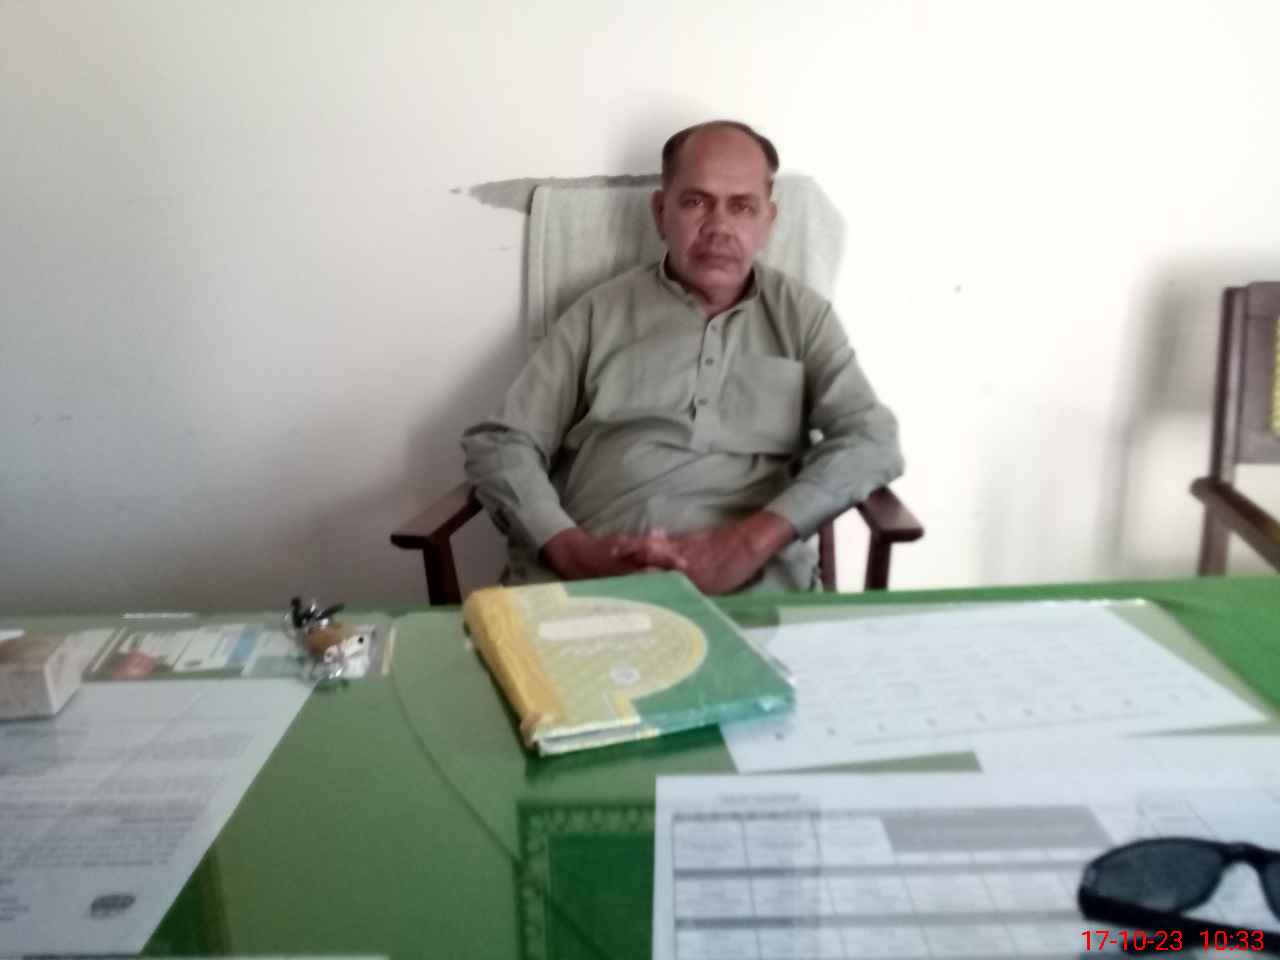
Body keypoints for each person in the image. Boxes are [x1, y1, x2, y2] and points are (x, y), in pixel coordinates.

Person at [461, 120, 903, 594]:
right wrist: (571, 550)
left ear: (768, 221)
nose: (718, 227)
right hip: (593, 577)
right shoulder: (598, 313)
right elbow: (502, 442)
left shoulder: (803, 318)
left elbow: (870, 438)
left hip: (755, 585)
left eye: (742, 206)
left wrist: (748, 544)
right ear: (660, 212)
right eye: (696, 202)